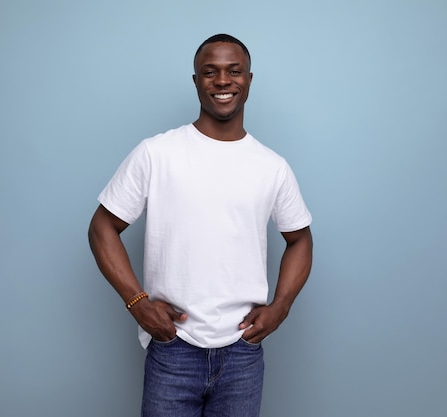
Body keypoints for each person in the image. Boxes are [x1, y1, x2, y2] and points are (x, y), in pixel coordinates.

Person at [88, 33, 313, 417]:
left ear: (249, 80)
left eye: (233, 71)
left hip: (243, 352)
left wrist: (282, 306)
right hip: (174, 347)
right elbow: (101, 228)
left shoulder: (271, 166)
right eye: (210, 72)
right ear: (196, 81)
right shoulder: (156, 153)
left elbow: (300, 239)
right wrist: (137, 303)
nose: (223, 81)